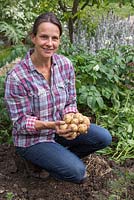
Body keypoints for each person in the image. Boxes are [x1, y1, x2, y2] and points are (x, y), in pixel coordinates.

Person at [4, 12, 112, 184]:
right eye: (44, 37)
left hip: (59, 129)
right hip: (32, 139)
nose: (49, 43)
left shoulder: (65, 65)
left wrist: (73, 122)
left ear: (60, 40)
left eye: (55, 38)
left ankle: (54, 158)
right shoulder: (17, 77)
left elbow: (70, 102)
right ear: (33, 37)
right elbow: (20, 123)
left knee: (104, 137)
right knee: (78, 173)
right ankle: (35, 161)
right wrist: (51, 125)